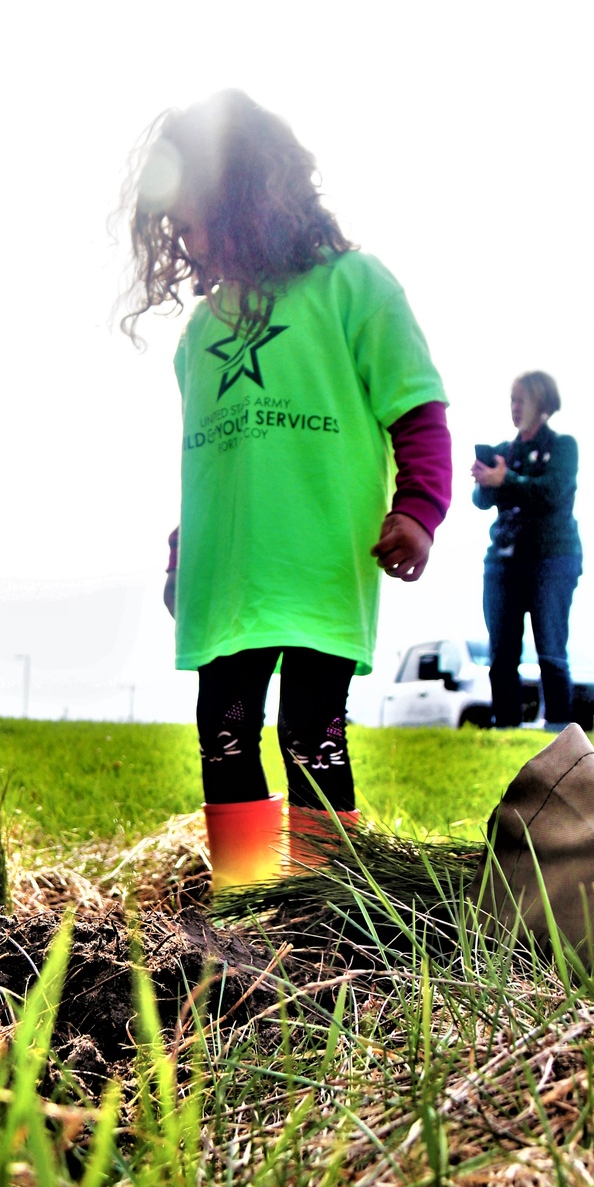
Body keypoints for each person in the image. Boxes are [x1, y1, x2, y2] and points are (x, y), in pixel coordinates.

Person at [122, 91, 452, 886]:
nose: (189, 244)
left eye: (196, 221)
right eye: (178, 230)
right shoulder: (199, 336)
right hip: (227, 578)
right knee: (223, 731)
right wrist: (183, 554)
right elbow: (216, 463)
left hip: (317, 567)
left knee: (311, 734)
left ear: (251, 199)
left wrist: (418, 512)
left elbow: (418, 409)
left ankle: (323, 907)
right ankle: (244, 901)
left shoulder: (357, 288)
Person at [472, 372, 582, 729]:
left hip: (552, 560)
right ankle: (505, 728)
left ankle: (560, 736)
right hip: (503, 562)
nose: (515, 408)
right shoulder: (506, 451)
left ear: (543, 404)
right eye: (512, 400)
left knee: (551, 651)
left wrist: (508, 481)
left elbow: (551, 492)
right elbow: (480, 500)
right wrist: (486, 479)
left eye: (522, 400)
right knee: (501, 653)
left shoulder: (563, 447)